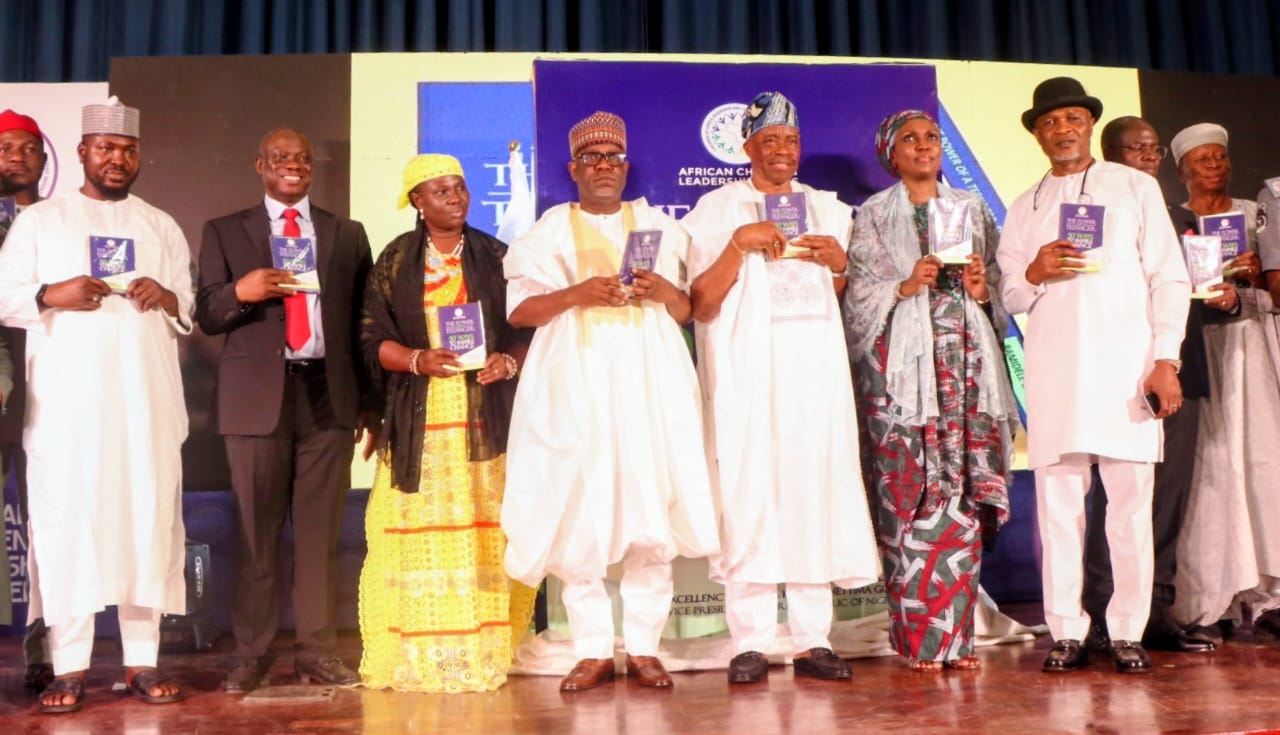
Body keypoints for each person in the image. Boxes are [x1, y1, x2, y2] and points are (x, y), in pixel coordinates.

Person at [501, 111, 719, 691]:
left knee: (651, 516)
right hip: (575, 388)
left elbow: (685, 310)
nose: (604, 167)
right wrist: (576, 293)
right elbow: (519, 312)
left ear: (625, 167)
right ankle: (593, 649)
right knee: (581, 514)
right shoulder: (547, 233)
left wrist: (662, 288)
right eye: (592, 159)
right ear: (573, 169)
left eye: (613, 158)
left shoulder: (657, 227)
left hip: (648, 386)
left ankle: (645, 648)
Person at [0, 97, 192, 713]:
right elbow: (4, 294)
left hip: (144, 406)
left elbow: (187, 304)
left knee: (146, 521)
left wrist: (166, 295)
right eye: (106, 148)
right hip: (67, 411)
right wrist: (49, 293)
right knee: (69, 527)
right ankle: (68, 668)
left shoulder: (160, 224)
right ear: (82, 151)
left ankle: (142, 662)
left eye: (128, 150)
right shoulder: (42, 221)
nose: (118, 159)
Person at [683, 92, 880, 685]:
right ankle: (749, 642)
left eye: (791, 141)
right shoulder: (718, 209)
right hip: (746, 377)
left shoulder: (828, 208)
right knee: (750, 493)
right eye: (770, 140)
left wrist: (839, 264)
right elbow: (700, 304)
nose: (782, 151)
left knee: (813, 491)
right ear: (747, 148)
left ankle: (813, 640)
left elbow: (844, 295)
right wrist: (737, 244)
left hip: (815, 377)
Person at [996, 77, 1190, 675]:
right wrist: (1034, 270)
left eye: (1073, 119)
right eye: (1051, 122)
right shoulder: (1023, 205)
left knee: (1130, 510)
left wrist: (1165, 359)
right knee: (1059, 514)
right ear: (1037, 134)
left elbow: (1169, 276)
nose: (1063, 130)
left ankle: (1127, 630)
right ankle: (1067, 631)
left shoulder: (1133, 186)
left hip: (1128, 370)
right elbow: (1009, 294)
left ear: (1088, 125)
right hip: (1056, 374)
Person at [196, 128, 379, 693]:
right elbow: (207, 312)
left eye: (301, 158)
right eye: (279, 157)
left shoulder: (346, 233)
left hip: (329, 396)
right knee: (257, 534)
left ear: (312, 166)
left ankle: (316, 652)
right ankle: (251, 653)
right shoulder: (225, 230)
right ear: (260, 165)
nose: (292, 165)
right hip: (255, 402)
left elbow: (365, 324)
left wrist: (370, 405)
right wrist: (242, 291)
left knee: (320, 536)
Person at [844, 110, 1017, 672]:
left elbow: (998, 288)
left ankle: (958, 639)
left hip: (966, 367)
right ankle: (919, 639)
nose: (924, 146)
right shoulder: (873, 215)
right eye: (910, 139)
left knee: (961, 493)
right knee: (911, 495)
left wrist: (981, 290)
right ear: (890, 155)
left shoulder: (970, 208)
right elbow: (858, 299)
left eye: (932, 137)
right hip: (901, 377)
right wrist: (905, 284)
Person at [358, 154, 537, 692]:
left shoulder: (497, 255)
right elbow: (370, 337)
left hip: (485, 418)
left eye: (459, 187)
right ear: (417, 201)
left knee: (487, 528)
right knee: (414, 531)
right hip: (420, 418)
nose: (455, 198)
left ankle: (486, 647)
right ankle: (419, 650)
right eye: (441, 190)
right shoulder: (395, 259)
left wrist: (507, 362)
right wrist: (417, 359)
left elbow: (527, 327)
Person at [1080, 116, 1219, 654]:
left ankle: (1156, 611)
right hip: (1118, 374)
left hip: (1180, 369)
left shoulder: (1184, 219)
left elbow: (1193, 294)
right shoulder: (1091, 215)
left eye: (1154, 149)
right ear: (1109, 156)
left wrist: (1228, 297)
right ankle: (1101, 610)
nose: (1147, 158)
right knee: (1115, 499)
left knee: (1167, 500)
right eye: (1134, 149)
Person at [1164, 123, 1280, 643]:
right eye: (1202, 159)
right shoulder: (1173, 221)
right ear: (1182, 169)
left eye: (1220, 157)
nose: (1214, 165)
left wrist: (1256, 276)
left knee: (1262, 460)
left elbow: (1275, 287)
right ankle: (1214, 596)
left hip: (1251, 346)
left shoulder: (1255, 215)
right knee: (1212, 468)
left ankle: (1271, 594)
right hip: (1200, 347)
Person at [0, 108, 49, 689]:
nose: (16, 157)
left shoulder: (61, 222)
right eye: (5, 147)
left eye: (27, 147)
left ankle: (46, 655)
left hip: (49, 393)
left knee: (47, 529)